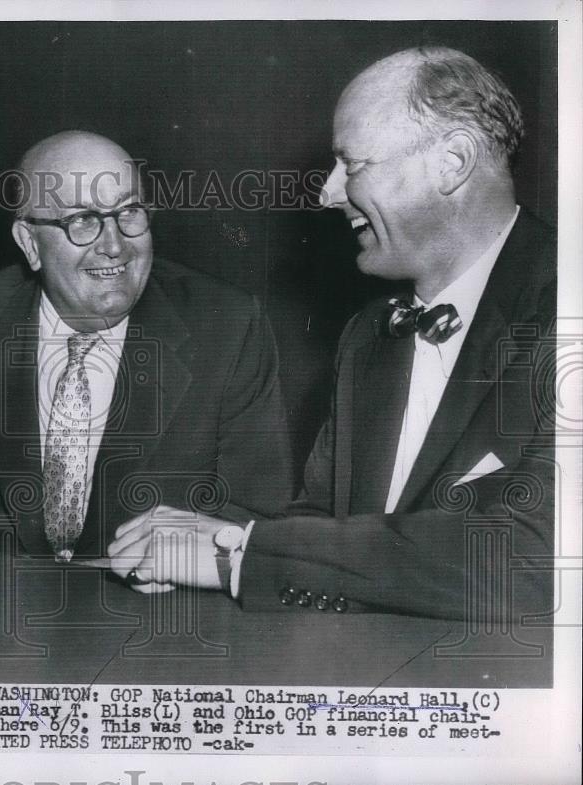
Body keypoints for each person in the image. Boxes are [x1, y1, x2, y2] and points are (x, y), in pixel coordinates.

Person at [110, 46, 556, 620]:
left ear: (454, 161)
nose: (326, 192)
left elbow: (538, 559)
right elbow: (324, 528)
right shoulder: (369, 336)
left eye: (353, 164)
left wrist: (240, 556)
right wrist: (221, 544)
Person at [0, 130, 292, 560]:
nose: (114, 245)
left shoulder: (228, 327)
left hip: (156, 613)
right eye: (81, 220)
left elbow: (254, 515)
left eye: (129, 212)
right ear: (30, 243)